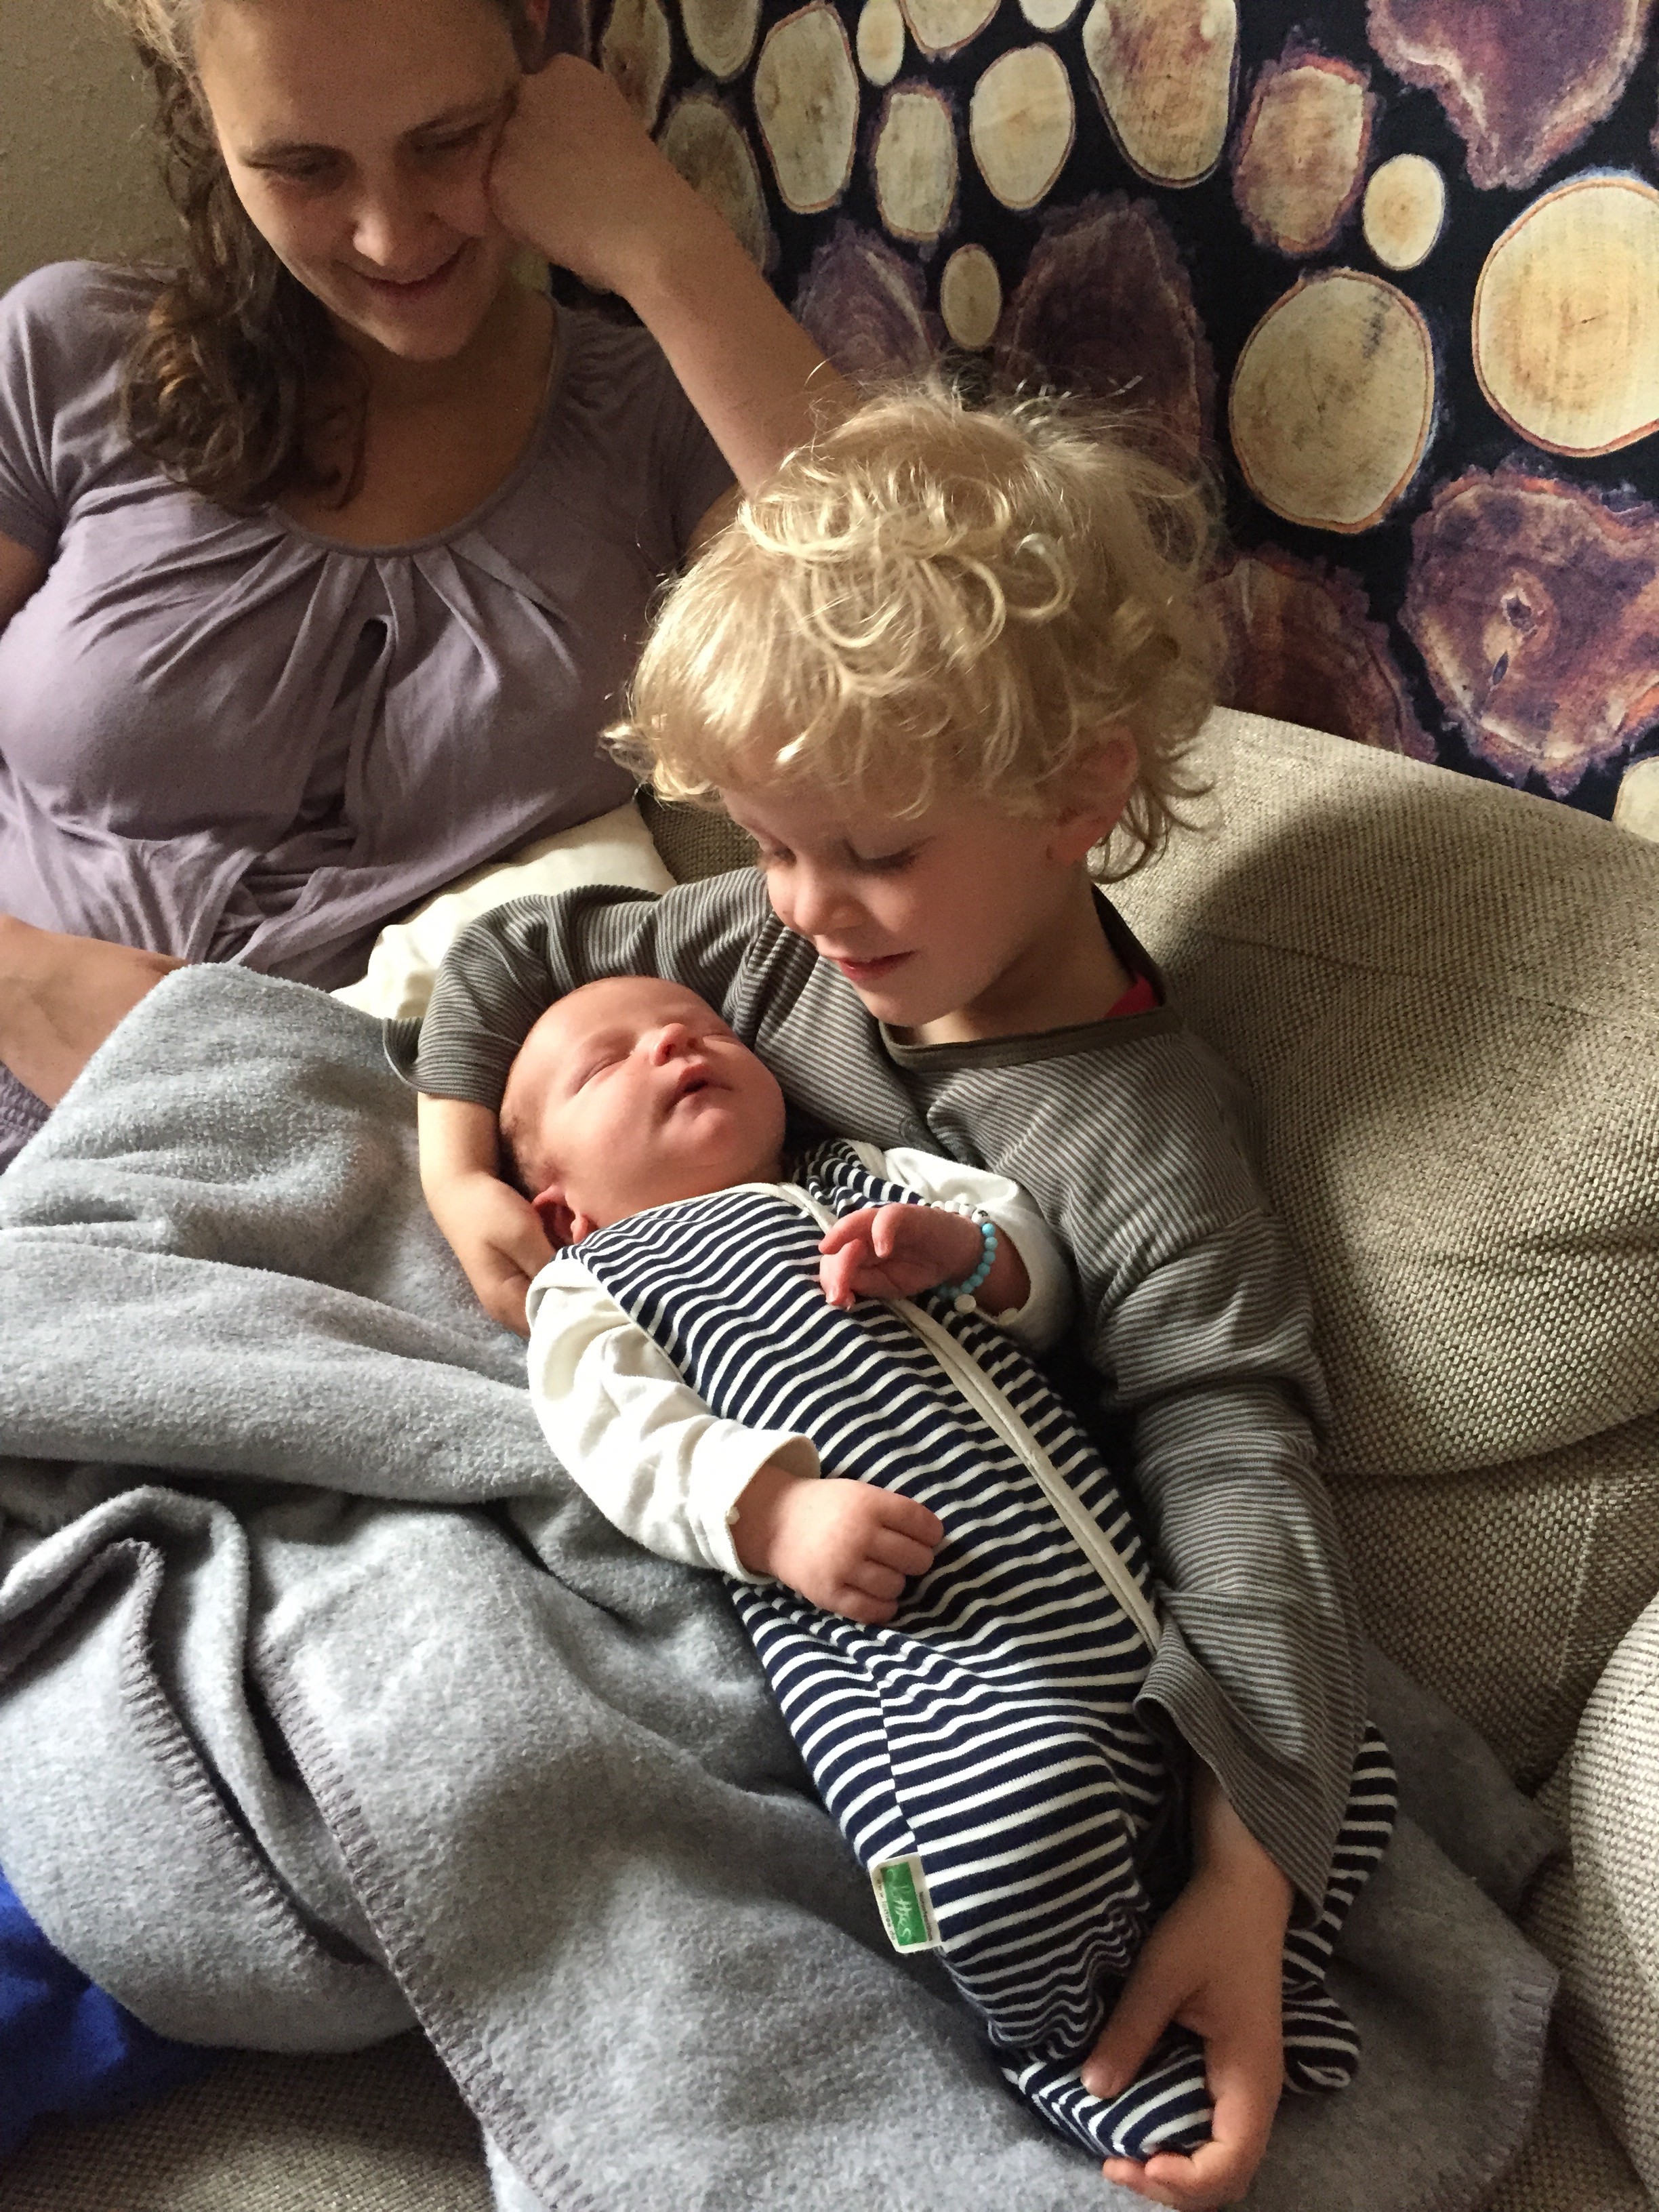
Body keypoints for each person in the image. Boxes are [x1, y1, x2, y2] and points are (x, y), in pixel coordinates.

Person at [409, 382, 1387, 2211]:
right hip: (700, 1491)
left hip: (959, 1645)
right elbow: (524, 952)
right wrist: (459, 1161)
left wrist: (1251, 1875)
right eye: (767, 843)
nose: (803, 906)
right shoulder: (770, 941)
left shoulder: (1142, 1134)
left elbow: (1241, 1471)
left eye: (868, 853)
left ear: (1080, 795)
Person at [500, 969, 1393, 2170]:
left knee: (1340, 1760)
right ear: (563, 1210)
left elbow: (1043, 1277)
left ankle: (1264, 1965)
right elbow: (622, 1441)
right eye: (611, 1064)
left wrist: (970, 1255)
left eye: (699, 1030)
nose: (672, 1047)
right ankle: (1078, 2054)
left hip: (1120, 1598)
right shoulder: (598, 1281)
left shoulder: (866, 1174)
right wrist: (773, 1513)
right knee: (1008, 1849)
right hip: (934, 1664)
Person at [0, 0, 845, 1170]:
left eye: (449, 141)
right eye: (302, 167)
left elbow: (942, 667)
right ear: (205, 112)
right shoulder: (68, 347)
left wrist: (663, 242)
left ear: (533, 48)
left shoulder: (661, 423)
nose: (391, 238)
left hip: (367, 1173)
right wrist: (17, 978)